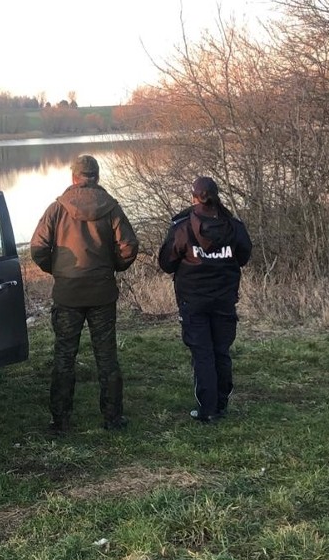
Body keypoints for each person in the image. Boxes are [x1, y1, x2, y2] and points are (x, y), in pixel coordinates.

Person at [30, 154, 139, 434]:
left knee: (64, 357)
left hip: (68, 294)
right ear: (97, 176)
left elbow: (37, 248)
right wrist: (112, 267)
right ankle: (113, 419)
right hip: (102, 293)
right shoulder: (111, 207)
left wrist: (57, 269)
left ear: (74, 177)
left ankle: (60, 420)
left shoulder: (57, 209)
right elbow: (128, 247)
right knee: (107, 357)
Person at [158, 176, 253, 422]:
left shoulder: (183, 227)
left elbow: (167, 263)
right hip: (224, 298)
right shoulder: (233, 226)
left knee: (203, 353)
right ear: (216, 195)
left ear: (194, 197)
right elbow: (244, 256)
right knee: (221, 350)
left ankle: (208, 409)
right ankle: (220, 404)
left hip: (193, 300)